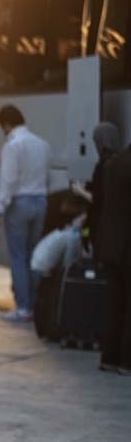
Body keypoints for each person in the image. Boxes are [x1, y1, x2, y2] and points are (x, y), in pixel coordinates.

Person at [0, 104, 52, 322]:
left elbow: (9, 181)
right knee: (34, 256)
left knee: (18, 257)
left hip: (19, 204)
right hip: (40, 201)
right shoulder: (42, 144)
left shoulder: (13, 146)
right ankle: (35, 305)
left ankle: (23, 307)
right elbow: (47, 177)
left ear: (7, 124)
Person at [96, 131, 131, 375]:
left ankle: (109, 357)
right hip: (128, 244)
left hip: (111, 244)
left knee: (115, 302)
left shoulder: (115, 163)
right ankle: (127, 361)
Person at [87, 122, 122, 256]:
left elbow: (98, 198)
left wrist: (80, 191)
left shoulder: (103, 165)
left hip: (101, 223)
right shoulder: (120, 162)